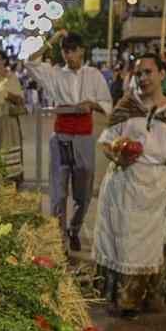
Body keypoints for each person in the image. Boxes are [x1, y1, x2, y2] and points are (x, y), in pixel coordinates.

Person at [93, 54, 166, 316]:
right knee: (122, 244)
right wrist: (116, 152)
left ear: (161, 74)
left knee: (149, 245)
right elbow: (105, 140)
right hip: (123, 185)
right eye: (139, 74)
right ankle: (123, 300)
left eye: (148, 72)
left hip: (156, 188)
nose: (144, 78)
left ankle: (146, 298)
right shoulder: (127, 106)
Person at [29, 35, 112, 252]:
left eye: (73, 50)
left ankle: (75, 228)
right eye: (65, 50)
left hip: (84, 137)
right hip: (61, 137)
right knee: (58, 192)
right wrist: (52, 39)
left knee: (83, 192)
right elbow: (30, 62)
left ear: (81, 51)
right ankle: (59, 237)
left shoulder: (93, 75)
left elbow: (107, 103)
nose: (69, 54)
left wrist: (91, 104)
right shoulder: (55, 73)